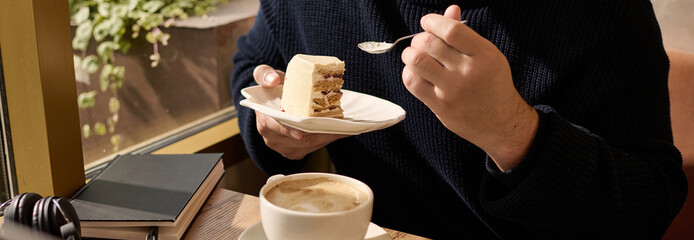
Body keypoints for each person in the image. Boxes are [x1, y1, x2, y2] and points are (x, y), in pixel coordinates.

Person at [230, 1, 688, 239]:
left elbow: (648, 208)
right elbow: (254, 64)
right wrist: (273, 127)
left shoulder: (604, 13)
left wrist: (511, 130)